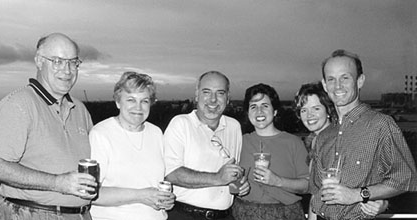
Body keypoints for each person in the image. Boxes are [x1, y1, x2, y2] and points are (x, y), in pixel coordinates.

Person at [0, 33, 97, 220]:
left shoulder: (80, 109)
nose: (67, 70)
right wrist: (58, 183)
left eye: (73, 62)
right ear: (38, 61)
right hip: (31, 214)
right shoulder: (19, 104)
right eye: (57, 61)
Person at [309, 49, 417, 220]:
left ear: (360, 81)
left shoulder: (381, 125)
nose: (337, 86)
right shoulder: (323, 136)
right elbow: (315, 196)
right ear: (324, 85)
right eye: (331, 79)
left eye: (345, 77)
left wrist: (359, 194)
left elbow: (405, 178)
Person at [294, 82, 388, 219]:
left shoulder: (348, 138)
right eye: (303, 110)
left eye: (316, 108)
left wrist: (382, 203)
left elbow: (379, 178)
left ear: (328, 110)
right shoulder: (315, 141)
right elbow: (316, 194)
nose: (309, 115)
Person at [89, 72, 175, 220]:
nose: (138, 107)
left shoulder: (156, 133)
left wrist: (166, 200)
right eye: (131, 100)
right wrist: (141, 196)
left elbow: (155, 183)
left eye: (145, 101)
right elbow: (92, 193)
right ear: (117, 102)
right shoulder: (101, 133)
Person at [164, 71, 250, 220]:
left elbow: (231, 171)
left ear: (228, 98)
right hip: (185, 215)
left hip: (226, 216)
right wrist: (217, 178)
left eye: (220, 93)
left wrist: (242, 183)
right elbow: (171, 173)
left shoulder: (234, 126)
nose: (213, 99)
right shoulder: (180, 124)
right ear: (197, 95)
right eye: (206, 92)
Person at [232, 83, 309, 220]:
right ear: (248, 112)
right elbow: (230, 178)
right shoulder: (239, 142)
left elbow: (307, 185)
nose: (259, 111)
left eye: (265, 106)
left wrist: (277, 181)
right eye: (253, 106)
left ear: (275, 111)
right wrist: (236, 187)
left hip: (285, 214)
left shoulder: (293, 143)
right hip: (244, 212)